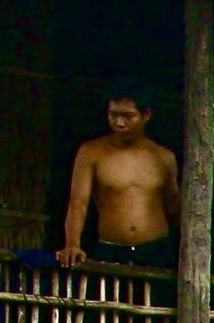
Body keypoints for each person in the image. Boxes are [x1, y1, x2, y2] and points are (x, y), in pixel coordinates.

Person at [61, 83, 178, 270]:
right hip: (111, 248)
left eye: (128, 116)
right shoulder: (91, 152)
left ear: (146, 115)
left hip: (156, 249)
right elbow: (78, 203)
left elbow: (173, 208)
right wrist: (73, 243)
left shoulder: (164, 157)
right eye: (113, 115)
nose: (119, 123)